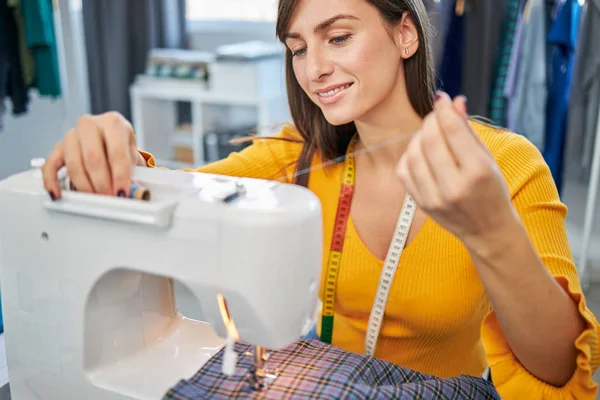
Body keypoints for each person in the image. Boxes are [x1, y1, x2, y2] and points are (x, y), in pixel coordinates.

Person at [41, 0, 599, 398]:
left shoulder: (506, 166)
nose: (313, 69)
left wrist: (490, 229)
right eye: (298, 48)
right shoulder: (297, 158)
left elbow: (559, 370)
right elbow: (172, 194)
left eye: (338, 37)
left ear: (406, 34)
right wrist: (113, 151)